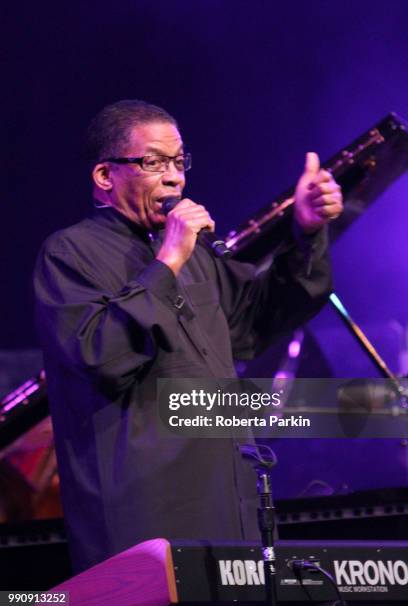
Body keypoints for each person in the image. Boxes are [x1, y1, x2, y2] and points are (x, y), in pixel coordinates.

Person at [33, 99, 343, 573]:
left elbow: (258, 322)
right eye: (154, 162)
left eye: (179, 162)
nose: (174, 177)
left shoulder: (196, 255)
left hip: (230, 502)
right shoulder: (69, 253)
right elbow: (100, 354)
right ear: (104, 176)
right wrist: (166, 265)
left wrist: (305, 232)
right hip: (147, 515)